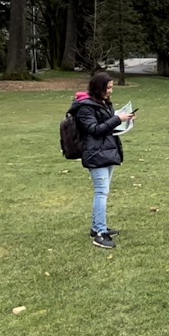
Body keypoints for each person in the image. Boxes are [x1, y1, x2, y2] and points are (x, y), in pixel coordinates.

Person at [71, 71, 134, 249]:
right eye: (108, 88)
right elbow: (95, 130)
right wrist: (116, 119)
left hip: (108, 151)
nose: (111, 91)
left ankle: (96, 226)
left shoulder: (104, 103)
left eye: (111, 87)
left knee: (104, 191)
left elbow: (109, 127)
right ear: (99, 88)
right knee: (101, 192)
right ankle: (99, 233)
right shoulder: (85, 107)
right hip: (95, 153)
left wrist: (125, 120)